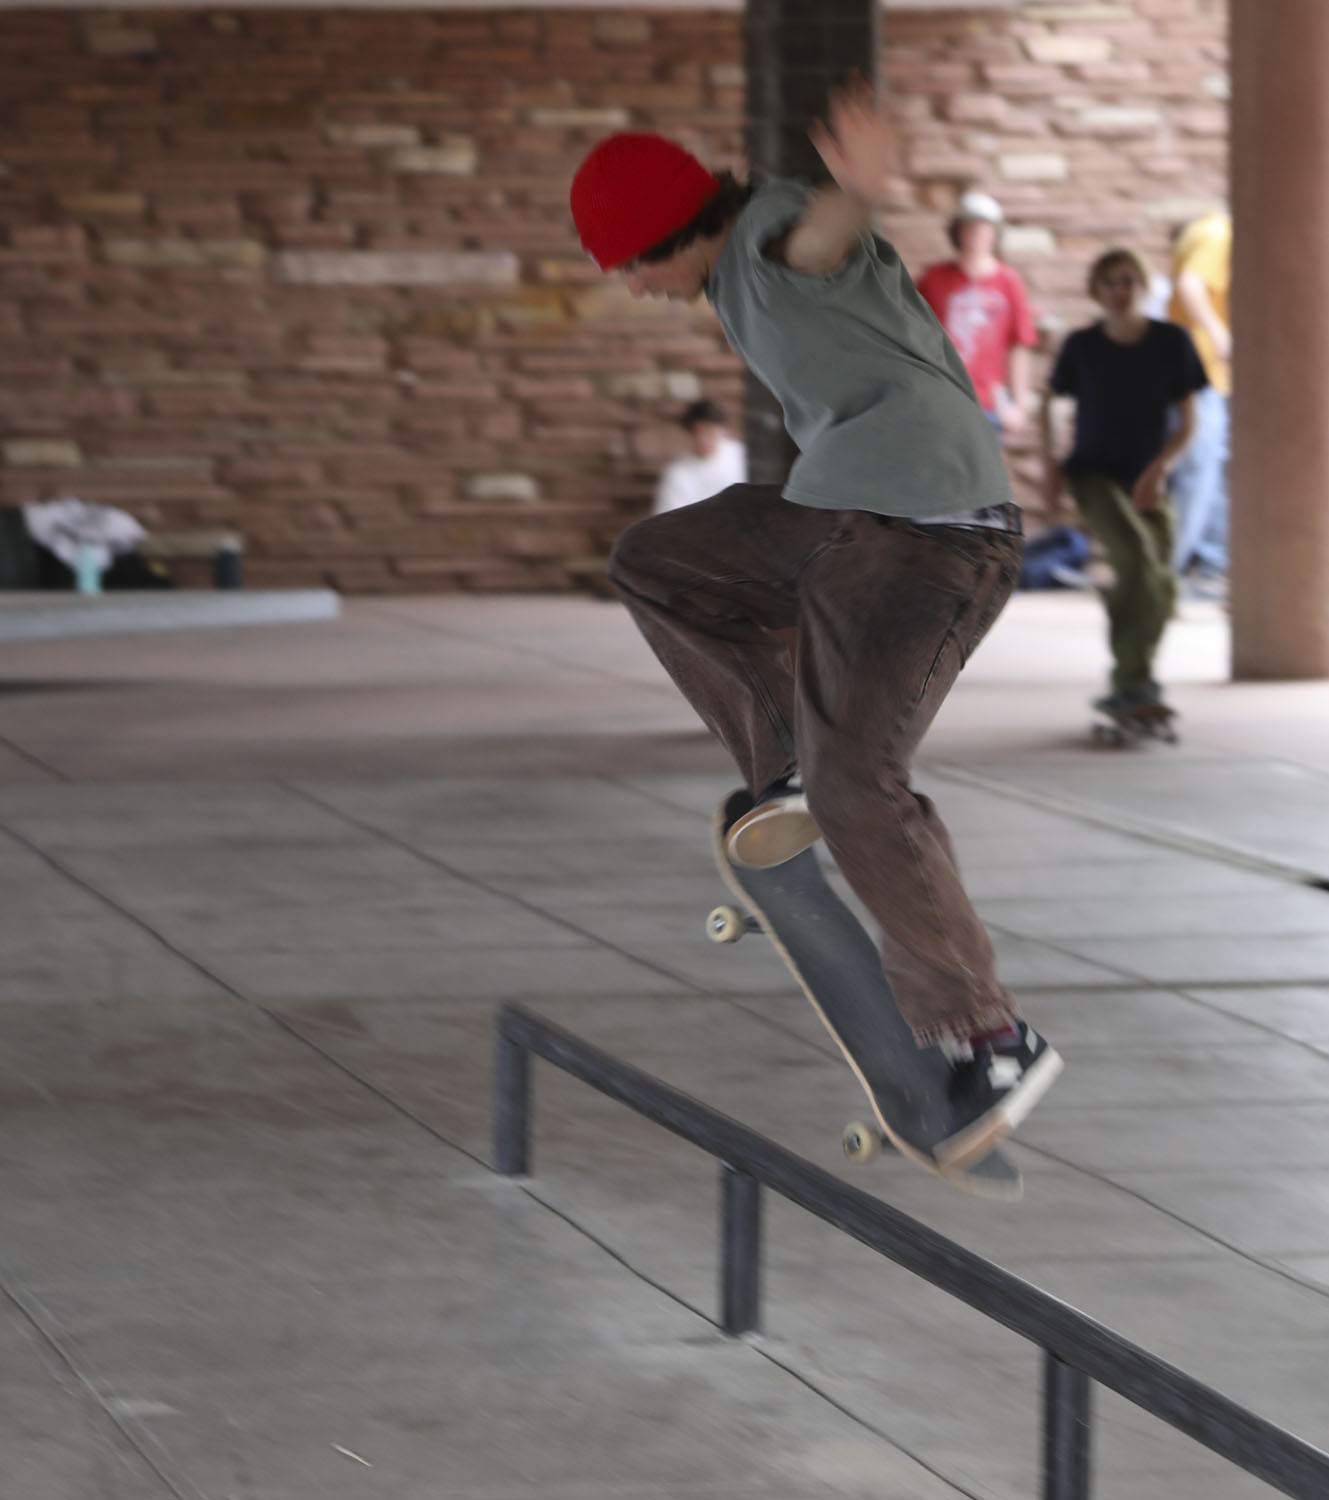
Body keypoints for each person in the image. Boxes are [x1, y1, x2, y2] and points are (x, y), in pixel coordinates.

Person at [569, 78, 1061, 1172]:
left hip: (933, 539)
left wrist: (860, 189)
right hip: (842, 523)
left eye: (633, 266)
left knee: (862, 789)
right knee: (659, 559)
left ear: (667, 236)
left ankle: (990, 1031)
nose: (636, 289)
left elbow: (819, 240)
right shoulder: (736, 267)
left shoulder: (764, 237)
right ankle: (785, 762)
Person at [1040, 247, 1208, 720]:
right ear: (1097, 289)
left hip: (1150, 473)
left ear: (1144, 286)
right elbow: (1050, 402)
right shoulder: (1083, 345)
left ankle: (1137, 674)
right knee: (1135, 560)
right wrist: (1053, 463)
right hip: (1093, 472)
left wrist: (1161, 468)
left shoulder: (1171, 341)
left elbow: (1188, 420)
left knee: (1162, 583)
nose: (1120, 291)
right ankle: (1132, 681)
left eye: (1129, 281)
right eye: (1111, 282)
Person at [915, 191, 1037, 439]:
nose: (976, 233)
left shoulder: (1008, 283)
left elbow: (1019, 344)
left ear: (995, 233)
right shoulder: (933, 280)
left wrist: (1019, 405)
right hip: (942, 399)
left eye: (984, 227)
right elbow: (915, 338)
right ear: (957, 231)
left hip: (988, 404)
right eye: (969, 225)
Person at [1167, 212, 1231, 585]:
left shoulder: (1206, 232)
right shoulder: (1218, 232)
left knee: (1212, 470)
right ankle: (1169, 574)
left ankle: (1210, 565)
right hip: (1201, 371)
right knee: (1198, 470)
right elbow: (1191, 285)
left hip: (1207, 375)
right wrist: (1219, 335)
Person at [654, 398, 747, 514]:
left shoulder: (741, 456)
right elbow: (669, 519)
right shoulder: (676, 473)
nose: (703, 440)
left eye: (709, 432)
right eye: (697, 432)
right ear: (688, 433)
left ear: (722, 430)